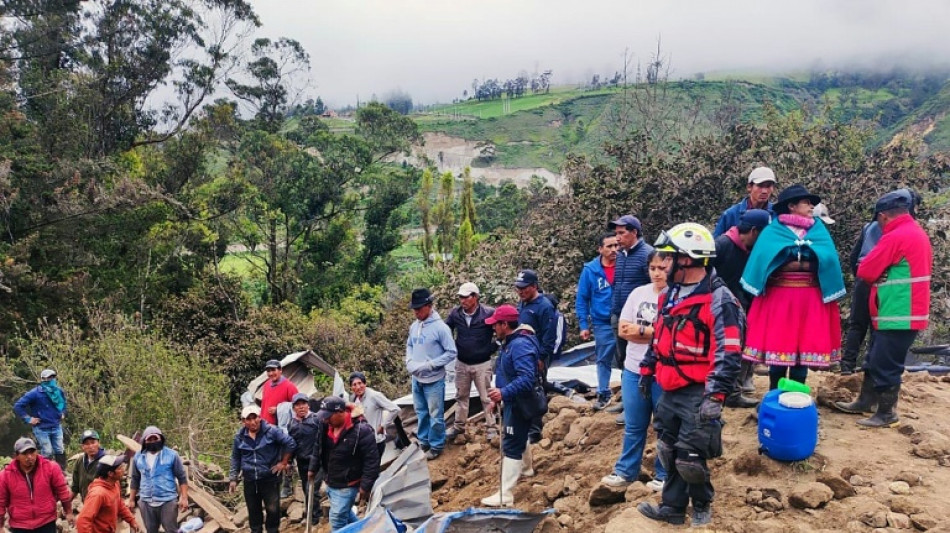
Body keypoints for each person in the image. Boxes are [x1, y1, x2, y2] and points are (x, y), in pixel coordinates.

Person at [636, 223, 743, 527]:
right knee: (668, 451)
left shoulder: (719, 300)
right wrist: (648, 370)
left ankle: (702, 503)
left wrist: (716, 395)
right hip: (669, 387)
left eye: (669, 258)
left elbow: (729, 352)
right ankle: (672, 508)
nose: (662, 266)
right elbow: (660, 337)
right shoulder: (669, 296)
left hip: (699, 390)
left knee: (690, 457)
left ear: (687, 259)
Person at [833, 191, 932, 428]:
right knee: (875, 355)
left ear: (884, 216)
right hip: (904, 309)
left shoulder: (895, 236)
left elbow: (865, 270)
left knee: (885, 362)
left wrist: (879, 271)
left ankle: (886, 412)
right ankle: (866, 401)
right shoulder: (917, 233)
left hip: (898, 310)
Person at [740, 185, 846, 390]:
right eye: (806, 203)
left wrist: (798, 261)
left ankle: (798, 398)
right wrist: (796, 260)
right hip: (780, 298)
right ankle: (775, 394)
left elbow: (828, 259)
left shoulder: (818, 229)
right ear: (791, 206)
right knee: (778, 348)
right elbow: (763, 260)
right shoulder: (773, 231)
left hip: (810, 299)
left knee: (802, 352)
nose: (811, 206)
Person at [601, 250, 670, 491]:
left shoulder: (675, 296)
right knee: (634, 425)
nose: (657, 273)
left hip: (663, 370)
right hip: (633, 368)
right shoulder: (637, 294)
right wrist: (651, 332)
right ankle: (626, 471)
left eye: (662, 268)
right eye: (653, 268)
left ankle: (664, 474)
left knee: (664, 425)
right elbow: (622, 329)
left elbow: (668, 334)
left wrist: (641, 331)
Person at [840, 189, 919, 375]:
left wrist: (860, 276)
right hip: (883, 280)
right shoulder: (901, 229)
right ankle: (871, 367)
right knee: (878, 326)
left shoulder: (869, 226)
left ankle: (847, 366)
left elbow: (854, 256)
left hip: (863, 277)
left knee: (857, 324)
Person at [479, 304, 540, 507]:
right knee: (518, 437)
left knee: (511, 444)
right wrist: (499, 397)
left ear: (505, 324)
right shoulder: (509, 343)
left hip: (520, 402)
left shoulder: (519, 346)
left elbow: (526, 378)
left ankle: (505, 494)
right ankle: (526, 469)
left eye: (496, 324)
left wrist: (503, 393)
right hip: (512, 400)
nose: (493, 328)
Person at [712, 208, 771, 408]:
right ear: (754, 231)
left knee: (739, 347)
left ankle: (733, 391)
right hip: (720, 308)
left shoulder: (752, 249)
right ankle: (724, 392)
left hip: (742, 304)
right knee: (726, 349)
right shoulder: (722, 245)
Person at [608, 215, 654, 418]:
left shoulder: (647, 254)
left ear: (634, 232)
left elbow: (654, 286)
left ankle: (637, 405)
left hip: (640, 318)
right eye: (616, 233)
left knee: (640, 359)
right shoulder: (621, 255)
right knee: (622, 358)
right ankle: (627, 400)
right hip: (619, 314)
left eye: (621, 233)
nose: (617, 238)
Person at [405, 287, 458, 460]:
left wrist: (431, 365)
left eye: (419, 309)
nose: (416, 312)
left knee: (435, 415)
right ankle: (424, 441)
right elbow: (410, 345)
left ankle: (436, 445)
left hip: (434, 380)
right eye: (414, 309)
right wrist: (409, 361)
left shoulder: (441, 328)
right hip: (417, 379)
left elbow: (451, 352)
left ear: (429, 306)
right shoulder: (415, 326)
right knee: (421, 412)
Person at [314, 397, 380, 532]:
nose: (325, 419)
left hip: (348, 483)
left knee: (337, 519)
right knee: (346, 514)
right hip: (332, 480)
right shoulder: (326, 426)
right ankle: (363, 530)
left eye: (328, 416)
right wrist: (312, 467)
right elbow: (318, 447)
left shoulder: (362, 430)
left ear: (340, 412)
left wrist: (365, 486)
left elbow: (372, 460)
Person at [229, 405, 296, 533]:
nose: (253, 422)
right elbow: (235, 457)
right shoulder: (240, 437)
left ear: (260, 417)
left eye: (255, 418)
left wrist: (283, 462)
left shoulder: (272, 431)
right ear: (243, 421)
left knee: (272, 510)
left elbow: (290, 443)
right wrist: (233, 478)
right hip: (249, 479)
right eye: (249, 419)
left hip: (269, 478)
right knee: (253, 511)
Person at [443, 282, 497, 442]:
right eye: (460, 297)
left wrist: (494, 347)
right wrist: (451, 348)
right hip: (462, 363)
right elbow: (446, 331)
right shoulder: (455, 314)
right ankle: (459, 427)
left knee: (486, 397)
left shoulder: (488, 313)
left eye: (466, 297)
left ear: (475, 297)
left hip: (482, 363)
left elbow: (502, 330)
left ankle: (492, 427)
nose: (462, 300)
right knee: (461, 396)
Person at [576, 233, 620, 410]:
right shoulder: (590, 270)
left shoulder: (626, 264)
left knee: (627, 358)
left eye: (616, 246)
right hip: (602, 322)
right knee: (603, 358)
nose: (613, 250)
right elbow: (582, 298)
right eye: (609, 246)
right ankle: (603, 392)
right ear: (600, 249)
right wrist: (583, 325)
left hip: (625, 319)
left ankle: (629, 395)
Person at [0, 438, 74, 533]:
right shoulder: (6, 475)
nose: (30, 456)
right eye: (25, 453)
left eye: (32, 452)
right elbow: (1, 501)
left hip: (46, 521)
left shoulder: (51, 468)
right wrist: (0, 526)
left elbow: (62, 491)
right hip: (20, 524)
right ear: (16, 456)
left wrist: (68, 512)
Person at [128, 427, 189, 533]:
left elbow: (182, 477)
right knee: (151, 530)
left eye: (155, 439)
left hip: (168, 500)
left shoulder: (172, 455)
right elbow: (135, 479)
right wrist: (131, 500)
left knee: (171, 530)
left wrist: (184, 498)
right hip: (146, 501)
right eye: (149, 440)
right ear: (144, 441)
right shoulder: (138, 457)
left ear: (161, 439)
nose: (153, 442)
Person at [13, 368, 67, 470]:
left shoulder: (58, 391)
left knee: (59, 449)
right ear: (43, 379)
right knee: (47, 451)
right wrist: (28, 419)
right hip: (41, 427)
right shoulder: (35, 393)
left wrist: (63, 413)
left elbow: (64, 403)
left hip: (56, 425)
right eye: (49, 378)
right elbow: (18, 406)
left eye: (53, 377)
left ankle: (61, 472)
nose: (52, 380)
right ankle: (47, 472)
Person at [76, 455, 140, 533]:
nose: (124, 469)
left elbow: (119, 504)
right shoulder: (98, 494)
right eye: (120, 468)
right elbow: (83, 521)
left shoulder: (115, 484)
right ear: (110, 473)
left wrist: (131, 520)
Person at [287, 393, 323, 527]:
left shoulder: (316, 419)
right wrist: (289, 462)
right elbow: (291, 444)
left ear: (308, 405)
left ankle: (314, 519)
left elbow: (322, 440)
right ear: (294, 407)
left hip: (317, 461)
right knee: (306, 489)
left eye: (303, 404)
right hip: (302, 462)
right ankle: (314, 514)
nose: (301, 407)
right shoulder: (292, 424)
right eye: (298, 405)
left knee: (311, 490)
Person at [713, 166, 777, 237]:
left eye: (768, 186)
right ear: (749, 187)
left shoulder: (777, 214)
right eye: (760, 186)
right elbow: (717, 243)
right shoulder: (731, 215)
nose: (764, 191)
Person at [348, 372, 399, 459]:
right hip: (361, 441)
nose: (358, 387)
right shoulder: (353, 398)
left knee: (372, 470)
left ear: (365, 383)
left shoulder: (374, 396)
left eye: (360, 383)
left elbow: (395, 409)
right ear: (351, 387)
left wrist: (383, 425)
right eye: (354, 385)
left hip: (375, 441)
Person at [260, 359, 298, 426]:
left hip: (280, 428)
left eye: (273, 370)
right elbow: (263, 406)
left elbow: (297, 406)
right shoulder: (266, 385)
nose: (271, 373)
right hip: (265, 426)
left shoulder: (289, 386)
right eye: (268, 371)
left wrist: (278, 409)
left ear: (280, 370)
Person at [72, 429, 106, 501]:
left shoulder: (106, 461)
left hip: (102, 504)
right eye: (87, 444)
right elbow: (75, 487)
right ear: (83, 447)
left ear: (98, 443)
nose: (91, 446)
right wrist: (66, 504)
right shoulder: (80, 461)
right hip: (86, 503)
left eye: (93, 442)